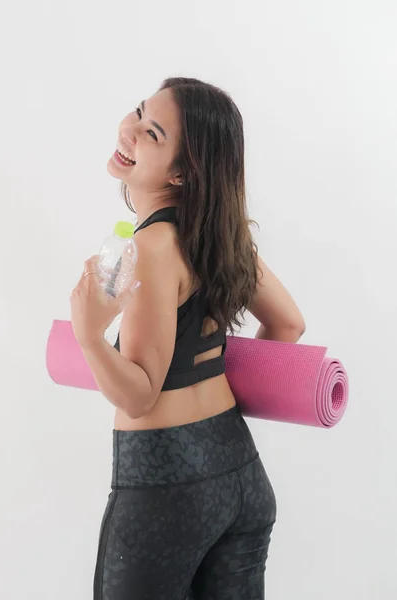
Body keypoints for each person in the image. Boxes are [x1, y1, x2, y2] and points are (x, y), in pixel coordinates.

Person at [70, 77, 306, 600]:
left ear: (182, 172)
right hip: (240, 476)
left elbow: (139, 393)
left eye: (152, 133)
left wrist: (89, 337)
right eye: (138, 111)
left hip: (164, 491)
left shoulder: (152, 248)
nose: (129, 130)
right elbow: (289, 323)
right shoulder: (222, 235)